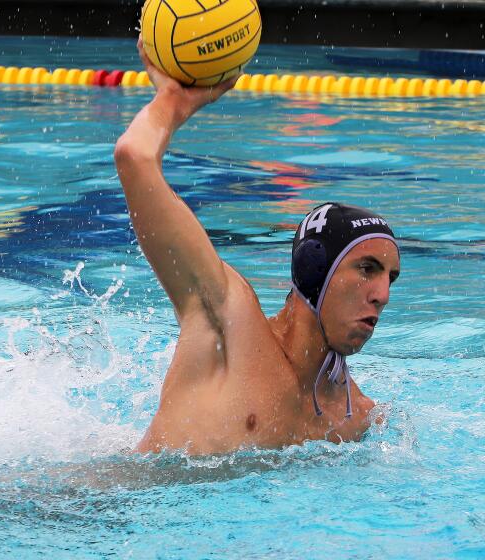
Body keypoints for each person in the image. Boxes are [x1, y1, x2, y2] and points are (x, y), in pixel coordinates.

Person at [114, 39, 400, 456]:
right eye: (366, 268)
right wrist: (175, 99)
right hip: (99, 510)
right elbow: (133, 156)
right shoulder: (230, 323)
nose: (383, 295)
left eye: (390, 278)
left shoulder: (357, 418)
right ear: (316, 270)